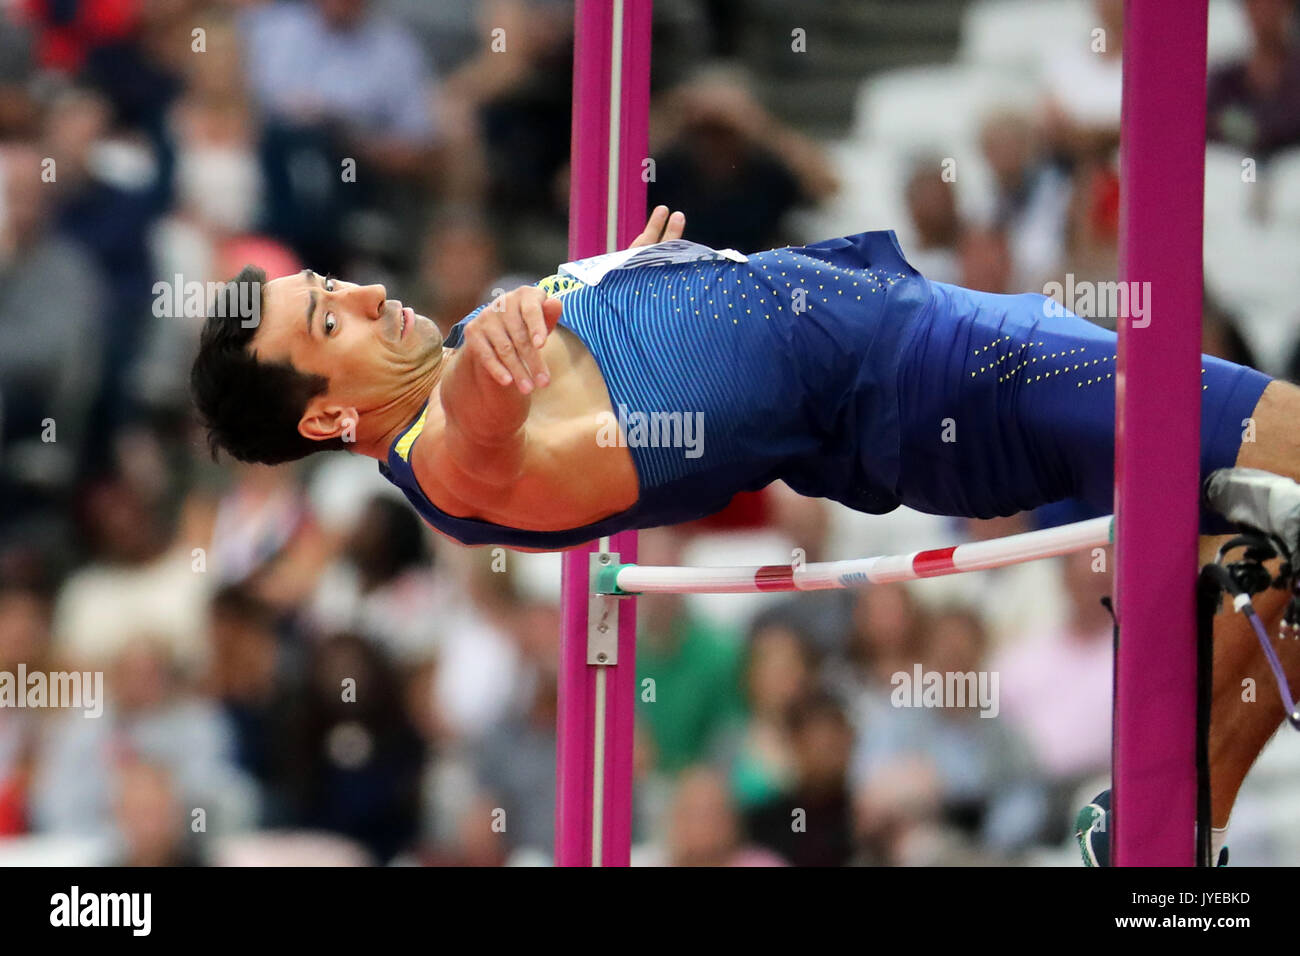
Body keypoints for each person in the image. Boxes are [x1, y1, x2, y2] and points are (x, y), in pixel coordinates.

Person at [191, 205, 1300, 860]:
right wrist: (496, 369)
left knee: (1281, 541)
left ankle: (1169, 813)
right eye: (331, 319)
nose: (371, 292)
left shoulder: (476, 350)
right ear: (330, 415)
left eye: (331, 282)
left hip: (894, 326)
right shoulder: (446, 449)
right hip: (925, 380)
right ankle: (1173, 797)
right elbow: (487, 435)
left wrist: (628, 273)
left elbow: (582, 375)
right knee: (1286, 441)